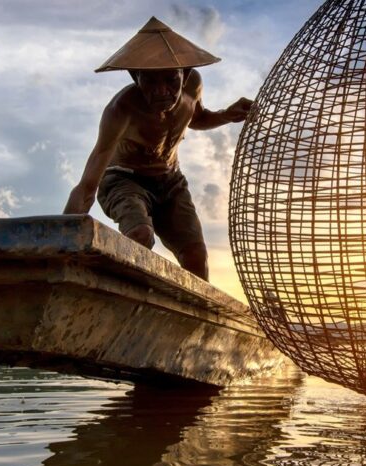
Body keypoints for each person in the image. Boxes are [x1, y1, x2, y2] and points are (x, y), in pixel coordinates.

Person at [64, 17, 252, 281]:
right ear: (135, 77)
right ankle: (126, 301)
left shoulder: (192, 85)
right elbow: (88, 185)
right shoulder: (121, 110)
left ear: (185, 74)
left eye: (170, 80)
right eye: (150, 81)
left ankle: (194, 319)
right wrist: (62, 239)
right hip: (123, 179)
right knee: (140, 235)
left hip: (170, 181)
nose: (161, 91)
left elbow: (196, 118)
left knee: (196, 255)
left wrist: (226, 114)